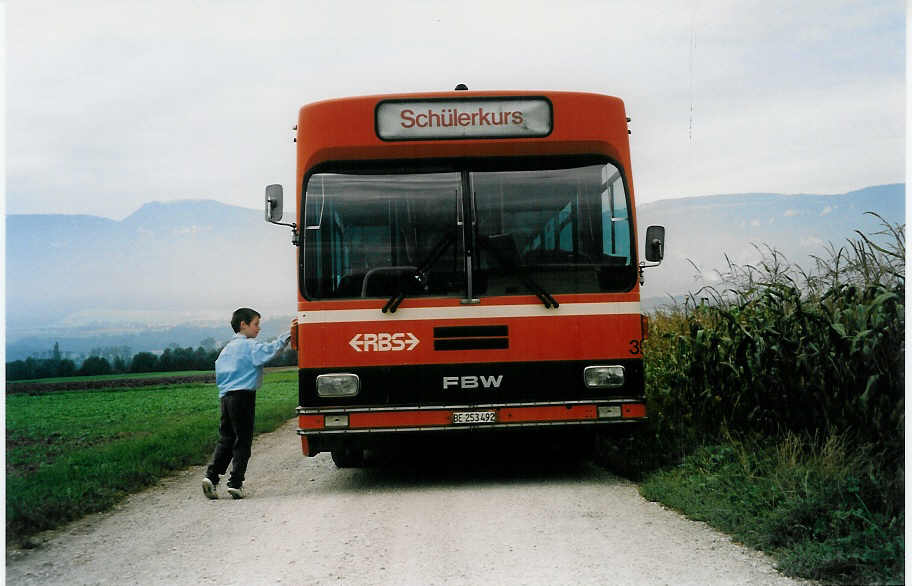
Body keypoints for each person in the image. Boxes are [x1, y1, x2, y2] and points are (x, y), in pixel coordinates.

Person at [202, 307, 294, 499]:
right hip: (243, 397)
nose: (258, 328)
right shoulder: (249, 347)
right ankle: (235, 483)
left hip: (225, 398)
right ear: (243, 324)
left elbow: (219, 374)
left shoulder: (226, 349)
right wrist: (289, 334)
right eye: (256, 324)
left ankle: (212, 477)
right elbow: (270, 350)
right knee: (243, 441)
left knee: (226, 438)